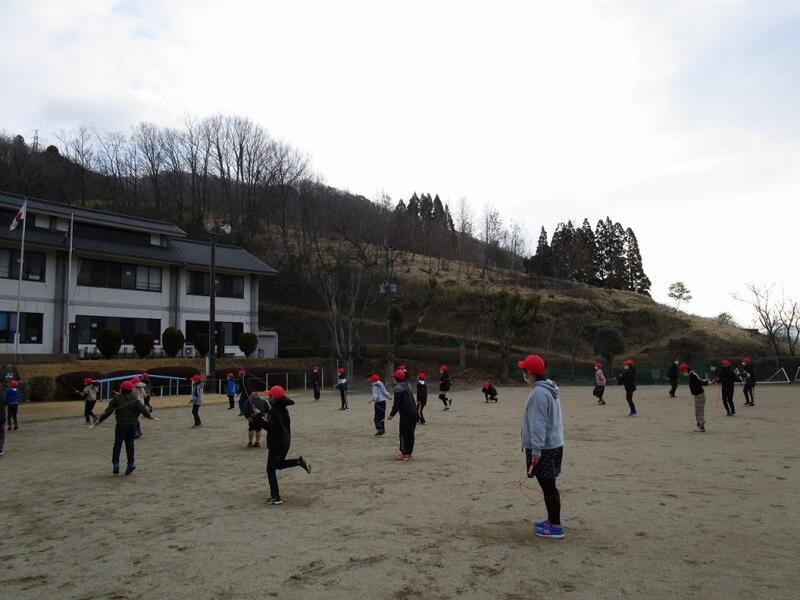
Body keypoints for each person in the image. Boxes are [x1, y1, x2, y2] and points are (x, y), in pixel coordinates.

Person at [518, 354, 565, 539]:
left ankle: (555, 526)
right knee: (549, 485)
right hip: (554, 444)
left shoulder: (539, 393)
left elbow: (539, 424)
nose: (523, 374)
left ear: (530, 372)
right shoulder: (549, 388)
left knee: (548, 486)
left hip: (545, 448)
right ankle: (552, 520)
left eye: (524, 370)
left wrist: (536, 450)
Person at [255, 385, 311, 505]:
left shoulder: (273, 411)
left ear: (274, 399)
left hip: (276, 444)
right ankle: (298, 461)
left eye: (270, 396)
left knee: (270, 470)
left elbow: (269, 426)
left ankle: (275, 496)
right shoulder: (283, 409)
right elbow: (272, 422)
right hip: (285, 442)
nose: (268, 397)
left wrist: (258, 416)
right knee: (279, 465)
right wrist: (262, 415)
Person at [95, 379, 154, 475]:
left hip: (121, 425)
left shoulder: (116, 398)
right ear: (131, 390)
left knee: (117, 445)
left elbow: (108, 411)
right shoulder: (134, 398)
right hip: (132, 425)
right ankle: (130, 463)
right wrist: (149, 416)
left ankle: (116, 464)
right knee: (130, 444)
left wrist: (100, 420)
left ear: (122, 389)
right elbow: (142, 409)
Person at [386, 369, 417, 461]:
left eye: (394, 378)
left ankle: (404, 454)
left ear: (397, 378)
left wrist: (391, 415)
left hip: (406, 414)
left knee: (403, 433)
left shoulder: (398, 389)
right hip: (413, 412)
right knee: (410, 433)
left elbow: (397, 405)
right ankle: (409, 453)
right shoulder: (408, 385)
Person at [681, 363, 709, 433]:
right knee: (697, 411)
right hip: (697, 395)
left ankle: (701, 427)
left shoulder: (693, 375)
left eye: (683, 371)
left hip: (700, 395)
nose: (683, 373)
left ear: (686, 370)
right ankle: (699, 425)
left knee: (699, 411)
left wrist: (707, 382)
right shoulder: (692, 375)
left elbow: (700, 381)